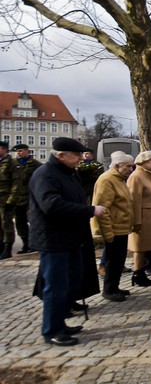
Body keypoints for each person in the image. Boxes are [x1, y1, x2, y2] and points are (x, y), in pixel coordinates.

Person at [30, 137, 106, 346]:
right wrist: (90, 211)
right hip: (54, 240)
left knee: (71, 280)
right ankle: (52, 330)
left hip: (71, 238)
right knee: (55, 286)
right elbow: (52, 206)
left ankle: (61, 322)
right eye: (77, 155)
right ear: (61, 155)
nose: (80, 159)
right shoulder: (45, 175)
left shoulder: (67, 173)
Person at [91, 153, 135, 301]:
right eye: (128, 166)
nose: (131, 169)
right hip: (113, 229)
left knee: (119, 261)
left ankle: (115, 287)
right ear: (117, 166)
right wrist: (107, 232)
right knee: (112, 261)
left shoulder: (119, 179)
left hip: (121, 228)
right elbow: (102, 208)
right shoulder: (107, 180)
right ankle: (109, 290)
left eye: (132, 166)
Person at [127, 151, 151, 287]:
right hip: (143, 218)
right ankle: (137, 273)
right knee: (139, 247)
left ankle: (141, 271)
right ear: (142, 162)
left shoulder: (149, 175)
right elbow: (133, 200)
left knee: (144, 247)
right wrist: (136, 221)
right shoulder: (136, 177)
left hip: (150, 217)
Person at [6, 143, 42, 254]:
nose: (18, 153)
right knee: (20, 222)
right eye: (17, 151)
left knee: (33, 221)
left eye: (21, 151)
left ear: (27, 151)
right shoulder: (13, 164)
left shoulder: (35, 164)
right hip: (17, 199)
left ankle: (37, 243)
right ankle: (26, 244)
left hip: (30, 197)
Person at [0, 141, 14, 259]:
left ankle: (7, 248)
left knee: (6, 224)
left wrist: (11, 199)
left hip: (6, 199)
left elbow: (16, 183)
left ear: (4, 149)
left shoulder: (11, 163)